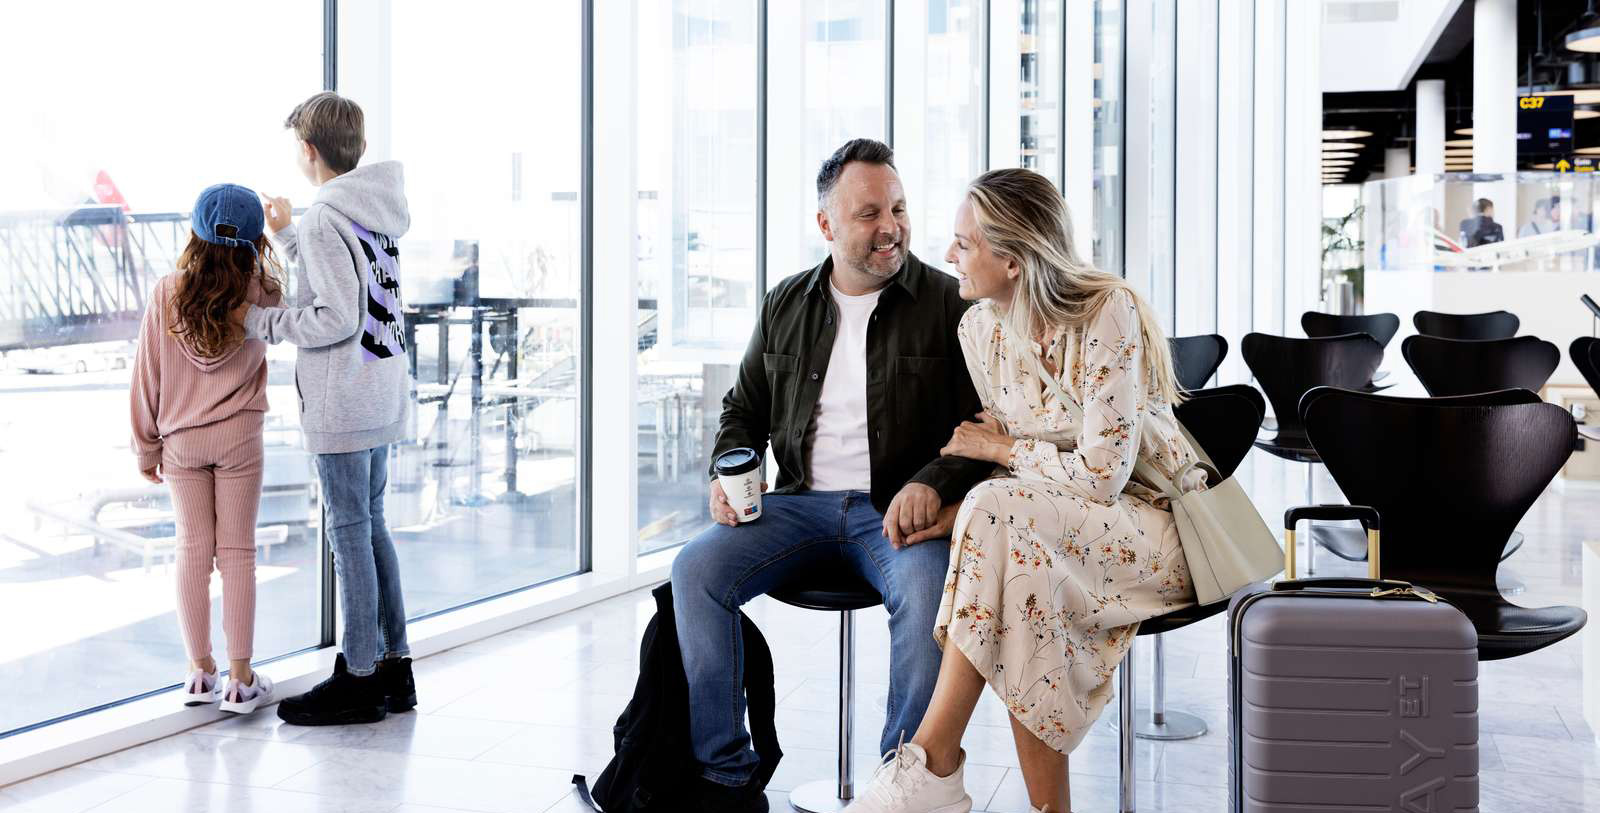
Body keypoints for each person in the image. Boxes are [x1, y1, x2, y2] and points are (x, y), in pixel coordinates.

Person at [845, 168, 1203, 813]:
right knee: (1018, 570)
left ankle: (933, 765)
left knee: (1005, 536)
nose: (948, 254)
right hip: (1060, 529)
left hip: (1159, 526)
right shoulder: (979, 330)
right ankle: (1001, 793)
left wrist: (999, 450)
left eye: (964, 243)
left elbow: (1102, 476)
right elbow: (1035, 473)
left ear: (1012, 260)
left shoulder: (1107, 309)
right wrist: (961, 505)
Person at [670, 139, 995, 812]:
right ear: (826, 224)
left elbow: (983, 427)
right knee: (694, 570)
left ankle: (904, 782)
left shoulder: (950, 304)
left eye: (898, 208)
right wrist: (727, 472)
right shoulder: (785, 303)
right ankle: (725, 778)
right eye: (869, 213)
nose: (891, 227)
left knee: (930, 591)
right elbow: (742, 411)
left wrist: (933, 481)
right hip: (799, 507)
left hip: (897, 513)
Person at [246, 91, 417, 726]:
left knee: (350, 536)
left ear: (308, 150)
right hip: (379, 388)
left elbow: (334, 314)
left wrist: (260, 320)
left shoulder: (327, 216)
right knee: (372, 528)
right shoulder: (372, 209)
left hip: (342, 400)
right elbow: (346, 280)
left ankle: (360, 678)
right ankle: (395, 669)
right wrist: (287, 233)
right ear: (360, 148)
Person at [130, 183, 282, 715]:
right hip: (240, 438)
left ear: (195, 235)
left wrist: (146, 447)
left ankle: (199, 673)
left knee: (192, 551)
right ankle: (240, 681)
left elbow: (147, 374)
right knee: (237, 553)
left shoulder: (167, 292)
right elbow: (309, 308)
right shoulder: (263, 293)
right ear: (255, 241)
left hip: (182, 442)